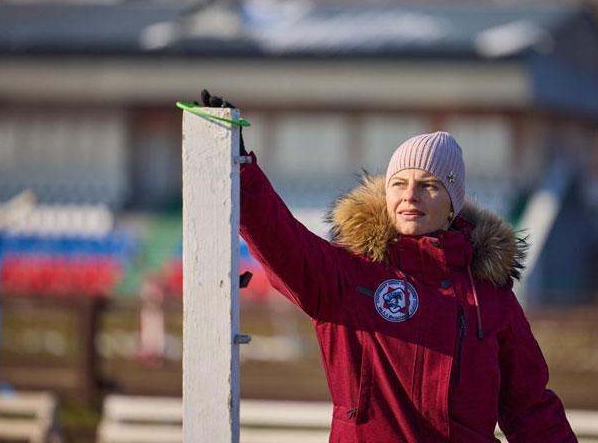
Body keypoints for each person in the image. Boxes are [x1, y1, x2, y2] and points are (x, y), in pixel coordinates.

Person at [204, 91, 576, 441]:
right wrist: (242, 170)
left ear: (453, 203)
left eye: (428, 184)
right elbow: (281, 242)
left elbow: (530, 409)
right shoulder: (350, 275)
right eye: (399, 183)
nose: (410, 195)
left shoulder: (492, 296)